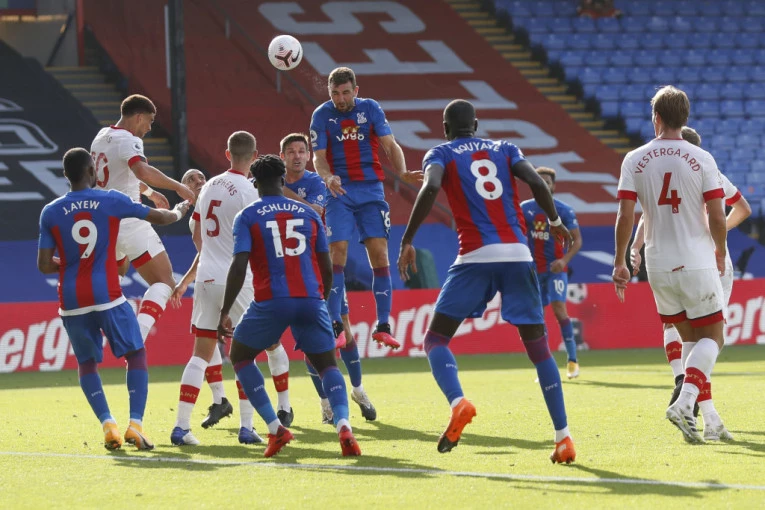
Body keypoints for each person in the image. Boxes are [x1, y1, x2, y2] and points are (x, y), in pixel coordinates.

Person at [397, 100, 576, 463]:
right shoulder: (505, 148)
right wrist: (555, 221)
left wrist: (407, 240)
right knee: (539, 350)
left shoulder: (441, 153)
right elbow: (536, 182)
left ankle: (458, 402)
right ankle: (563, 438)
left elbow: (431, 188)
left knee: (435, 340)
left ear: (445, 128)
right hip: (518, 255)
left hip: (475, 256)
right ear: (476, 125)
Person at [37, 148, 189, 450]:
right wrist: (181, 210)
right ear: (92, 172)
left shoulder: (51, 211)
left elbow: (43, 265)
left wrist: (72, 264)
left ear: (66, 175)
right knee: (136, 353)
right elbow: (160, 217)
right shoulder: (111, 200)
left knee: (87, 363)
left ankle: (108, 425)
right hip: (106, 294)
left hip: (71, 299)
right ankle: (135, 425)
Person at [218, 155, 361, 458]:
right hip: (310, 299)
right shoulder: (309, 214)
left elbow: (239, 265)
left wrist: (225, 310)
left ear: (255, 184)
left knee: (240, 356)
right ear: (283, 180)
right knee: (327, 365)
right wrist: (321, 301)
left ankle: (275, 428)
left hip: (271, 301)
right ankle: (343, 425)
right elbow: (327, 266)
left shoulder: (247, 215)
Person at [613, 86, 728, 444]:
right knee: (714, 337)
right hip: (695, 260)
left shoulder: (634, 159)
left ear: (657, 118)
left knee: (689, 338)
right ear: (685, 118)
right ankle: (685, 402)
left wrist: (620, 261)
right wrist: (720, 250)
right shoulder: (701, 157)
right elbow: (717, 215)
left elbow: (625, 215)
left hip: (658, 264)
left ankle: (705, 419)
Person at [169, 132, 293, 446]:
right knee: (245, 355)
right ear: (255, 156)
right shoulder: (250, 191)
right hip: (238, 281)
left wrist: (211, 254)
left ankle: (181, 427)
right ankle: (246, 427)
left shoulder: (209, 185)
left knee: (199, 355)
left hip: (206, 277)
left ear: (227, 154)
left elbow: (197, 234)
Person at [629, 125, 750, 441]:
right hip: (704, 261)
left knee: (682, 334)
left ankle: (698, 405)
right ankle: (693, 405)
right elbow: (742, 208)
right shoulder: (707, 170)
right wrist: (713, 234)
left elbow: (645, 214)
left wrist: (634, 247)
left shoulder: (655, 172)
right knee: (710, 337)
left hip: (666, 261)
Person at [310, 66, 423, 359]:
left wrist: (401, 171)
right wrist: (327, 177)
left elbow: (390, 144)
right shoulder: (321, 115)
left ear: (356, 91)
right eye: (335, 93)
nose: (340, 99)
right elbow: (318, 158)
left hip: (371, 191)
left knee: (380, 255)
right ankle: (335, 324)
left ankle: (383, 325)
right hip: (339, 192)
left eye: (345, 92)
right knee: (337, 252)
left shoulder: (370, 108)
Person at [280, 132, 371, 423]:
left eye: (301, 151)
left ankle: (358, 390)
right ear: (282, 156)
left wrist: (279, 192)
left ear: (309, 156)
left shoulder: (315, 182)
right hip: (290, 271)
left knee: (343, 330)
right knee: (309, 341)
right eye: (291, 151)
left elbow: (316, 211)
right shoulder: (271, 184)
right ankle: (325, 403)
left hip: (322, 268)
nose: (297, 156)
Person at [90, 94, 195, 344]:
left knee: (119, 271)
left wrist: (149, 193)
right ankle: (136, 337)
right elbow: (141, 170)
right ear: (138, 117)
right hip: (129, 221)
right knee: (165, 282)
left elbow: (118, 175)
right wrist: (178, 187)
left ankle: (105, 320)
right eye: (149, 121)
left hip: (104, 224)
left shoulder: (101, 136)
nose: (149, 128)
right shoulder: (129, 139)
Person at [521, 167, 583, 379]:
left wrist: (564, 260)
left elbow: (577, 240)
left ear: (553, 186)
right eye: (539, 180)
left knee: (558, 308)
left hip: (557, 269)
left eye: (547, 181)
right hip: (533, 271)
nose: (544, 184)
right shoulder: (525, 209)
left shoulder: (563, 210)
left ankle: (572, 360)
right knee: (537, 315)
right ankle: (545, 365)